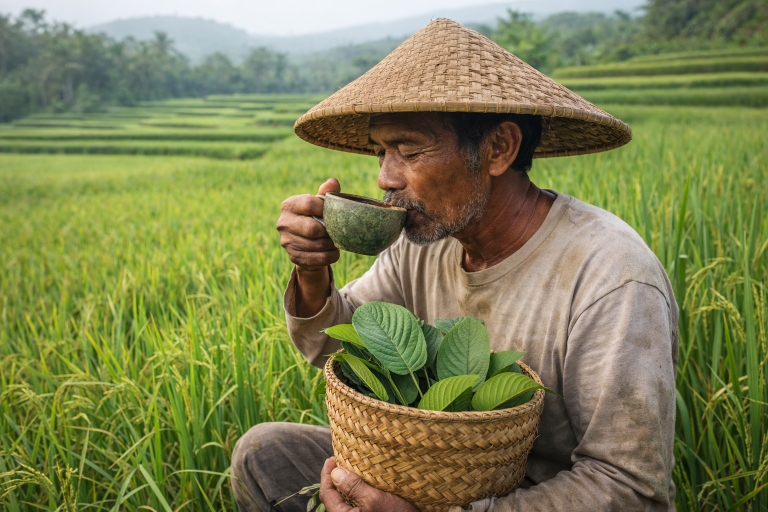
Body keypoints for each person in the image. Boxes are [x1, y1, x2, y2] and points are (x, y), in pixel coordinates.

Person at [232, 19, 678, 512]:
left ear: (498, 148)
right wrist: (312, 270)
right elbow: (333, 343)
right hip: (432, 474)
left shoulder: (610, 273)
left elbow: (630, 488)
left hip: (531, 499)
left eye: (409, 149)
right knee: (265, 453)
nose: (384, 178)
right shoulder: (426, 238)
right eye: (381, 151)